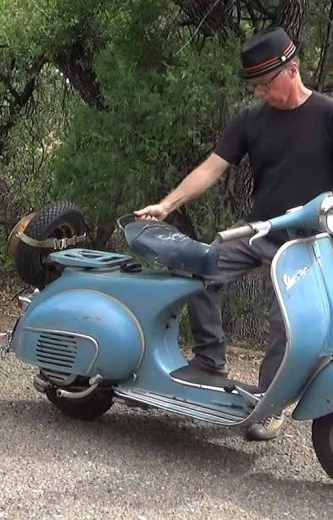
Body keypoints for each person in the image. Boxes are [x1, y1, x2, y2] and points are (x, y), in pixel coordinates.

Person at [135, 26, 333, 441]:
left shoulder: (326, 114)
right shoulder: (250, 120)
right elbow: (212, 166)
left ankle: (269, 404)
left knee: (289, 327)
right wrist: (167, 204)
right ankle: (210, 361)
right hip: (261, 232)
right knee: (202, 269)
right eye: (255, 86)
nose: (260, 93)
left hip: (309, 245)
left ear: (292, 70)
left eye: (265, 84)